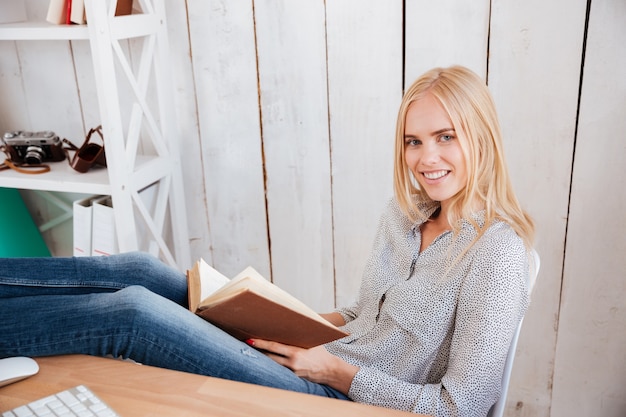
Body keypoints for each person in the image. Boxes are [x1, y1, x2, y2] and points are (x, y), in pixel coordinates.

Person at [0, 65, 535, 417]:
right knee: (144, 271)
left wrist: (332, 370)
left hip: (336, 396)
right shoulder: (404, 216)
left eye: (446, 137)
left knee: (134, 315)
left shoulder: (497, 254)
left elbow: (462, 405)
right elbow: (363, 315)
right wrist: (274, 314)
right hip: (323, 357)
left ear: (480, 138)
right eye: (413, 141)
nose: (426, 158)